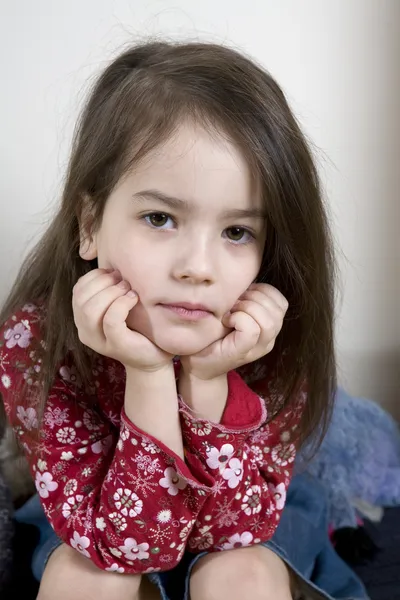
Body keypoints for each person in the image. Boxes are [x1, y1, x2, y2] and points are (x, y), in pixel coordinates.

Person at [0, 41, 336, 600]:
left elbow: (230, 531)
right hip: (98, 523)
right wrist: (149, 375)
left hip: (245, 523)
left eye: (237, 232)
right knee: (85, 579)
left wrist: (206, 382)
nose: (198, 268)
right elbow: (127, 546)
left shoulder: (270, 336)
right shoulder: (34, 341)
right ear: (89, 225)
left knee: (239, 575)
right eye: (159, 218)